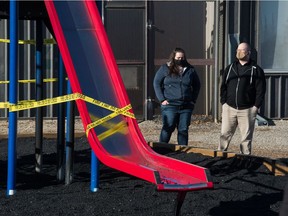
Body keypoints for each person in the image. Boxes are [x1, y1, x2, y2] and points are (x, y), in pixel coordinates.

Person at [218, 42, 266, 155]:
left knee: (246, 138)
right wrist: (223, 102)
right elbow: (223, 86)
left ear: (248, 52)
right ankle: (220, 157)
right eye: (237, 50)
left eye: (242, 50)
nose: (239, 52)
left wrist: (256, 106)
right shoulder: (230, 68)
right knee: (224, 134)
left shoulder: (256, 70)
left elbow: (260, 90)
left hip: (247, 109)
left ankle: (245, 159)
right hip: (229, 108)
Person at [153, 47, 201, 145]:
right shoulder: (165, 68)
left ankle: (182, 151)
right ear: (173, 57)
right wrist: (162, 99)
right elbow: (156, 83)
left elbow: (197, 85)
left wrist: (193, 100)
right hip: (170, 104)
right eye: (178, 58)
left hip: (186, 105)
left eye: (182, 58)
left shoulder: (190, 69)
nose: (180, 60)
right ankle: (161, 149)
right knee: (168, 127)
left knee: (183, 130)